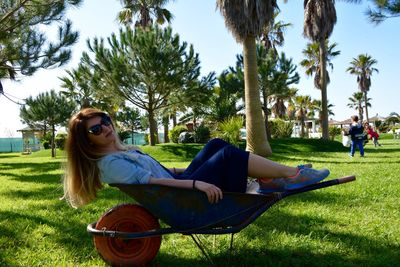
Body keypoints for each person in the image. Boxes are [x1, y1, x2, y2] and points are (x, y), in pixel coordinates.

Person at [63, 108, 330, 208]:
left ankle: (271, 177)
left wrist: (182, 171)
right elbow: (153, 183)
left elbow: (159, 171)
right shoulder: (109, 164)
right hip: (181, 198)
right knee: (226, 155)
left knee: (215, 144)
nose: (106, 128)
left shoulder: (118, 152)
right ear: (87, 139)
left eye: (106, 121)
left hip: (180, 186)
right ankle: (292, 175)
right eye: (96, 129)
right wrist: (196, 184)